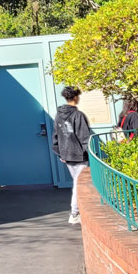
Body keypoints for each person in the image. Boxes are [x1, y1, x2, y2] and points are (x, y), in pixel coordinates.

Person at [52, 86, 91, 225]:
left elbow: (56, 136)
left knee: (76, 182)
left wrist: (60, 153)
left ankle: (76, 212)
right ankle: (74, 213)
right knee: (78, 184)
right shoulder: (78, 115)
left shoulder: (58, 115)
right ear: (75, 97)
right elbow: (84, 137)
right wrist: (89, 152)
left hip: (67, 155)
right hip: (79, 155)